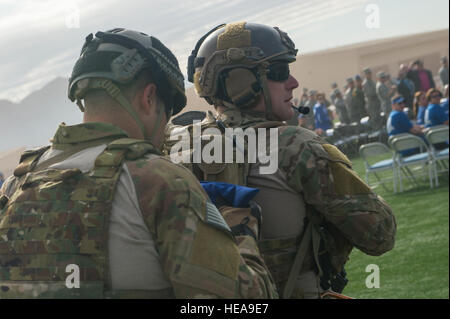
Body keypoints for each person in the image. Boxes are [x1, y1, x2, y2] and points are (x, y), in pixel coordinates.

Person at [0, 28, 277, 299]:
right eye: (167, 112)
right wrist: (240, 230)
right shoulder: (159, 180)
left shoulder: (17, 182)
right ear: (149, 98)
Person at [174, 21, 396, 299]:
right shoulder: (298, 146)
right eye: (280, 72)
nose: (293, 82)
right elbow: (381, 235)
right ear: (240, 82)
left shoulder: (176, 146)